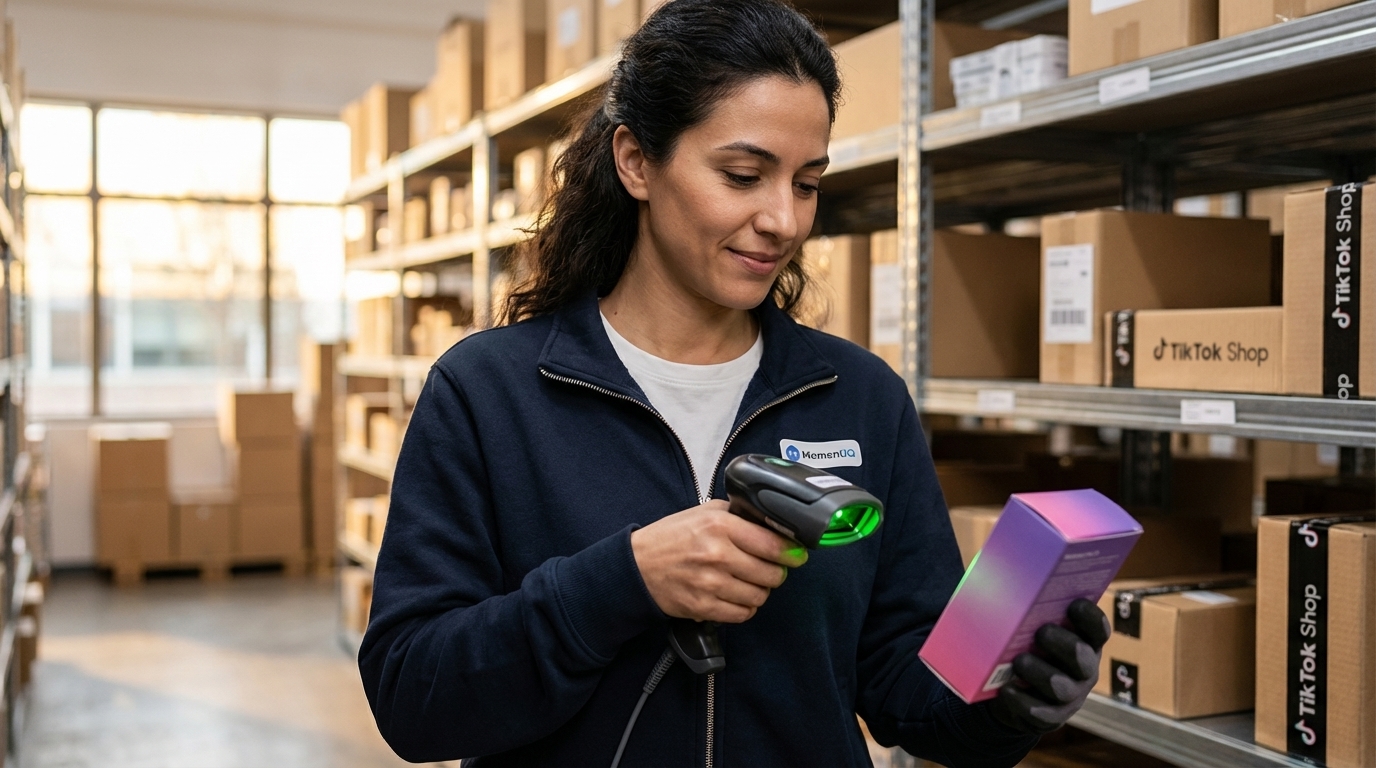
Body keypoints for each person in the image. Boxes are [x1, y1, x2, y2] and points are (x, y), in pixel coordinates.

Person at [358, 1, 1110, 765]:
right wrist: (623, 583)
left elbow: (905, 688)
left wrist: (1012, 698)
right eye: (743, 176)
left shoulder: (862, 397)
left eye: (807, 183)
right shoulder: (487, 393)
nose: (784, 220)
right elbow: (412, 696)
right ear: (636, 161)